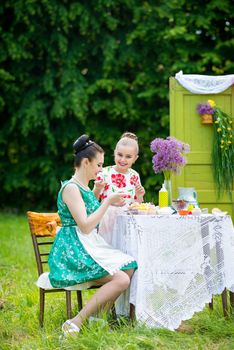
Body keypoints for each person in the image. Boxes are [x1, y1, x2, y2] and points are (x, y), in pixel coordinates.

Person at [48, 135, 138, 336]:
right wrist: (106, 202)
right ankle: (75, 322)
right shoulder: (71, 188)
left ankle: (97, 318)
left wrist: (104, 199)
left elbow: (91, 216)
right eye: (98, 164)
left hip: (87, 244)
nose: (100, 169)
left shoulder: (85, 187)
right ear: (86, 162)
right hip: (74, 249)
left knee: (129, 266)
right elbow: (86, 226)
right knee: (122, 280)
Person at [93, 132, 145, 244]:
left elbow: (137, 206)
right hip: (106, 220)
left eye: (128, 157)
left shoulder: (134, 175)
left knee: (124, 249)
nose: (123, 160)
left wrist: (140, 196)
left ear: (135, 158)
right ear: (114, 153)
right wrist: (97, 188)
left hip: (126, 221)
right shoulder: (104, 172)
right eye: (120, 155)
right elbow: (93, 200)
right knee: (107, 249)